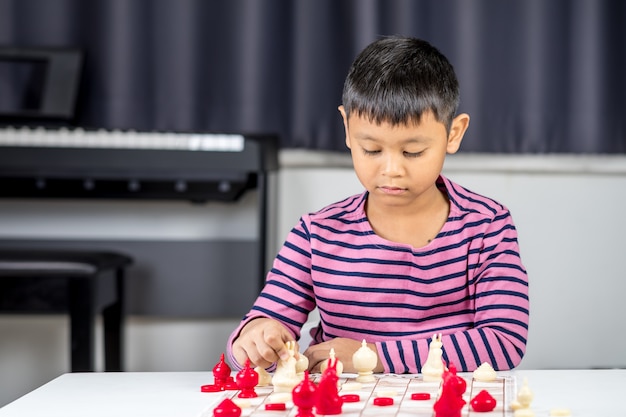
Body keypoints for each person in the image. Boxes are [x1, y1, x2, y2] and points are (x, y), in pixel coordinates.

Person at [227, 35, 529, 375]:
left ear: (453, 134)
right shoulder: (317, 233)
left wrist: (370, 355)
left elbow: (505, 341)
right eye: (371, 149)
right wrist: (256, 336)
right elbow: (261, 328)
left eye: (413, 152)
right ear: (347, 127)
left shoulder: (487, 226)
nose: (391, 169)